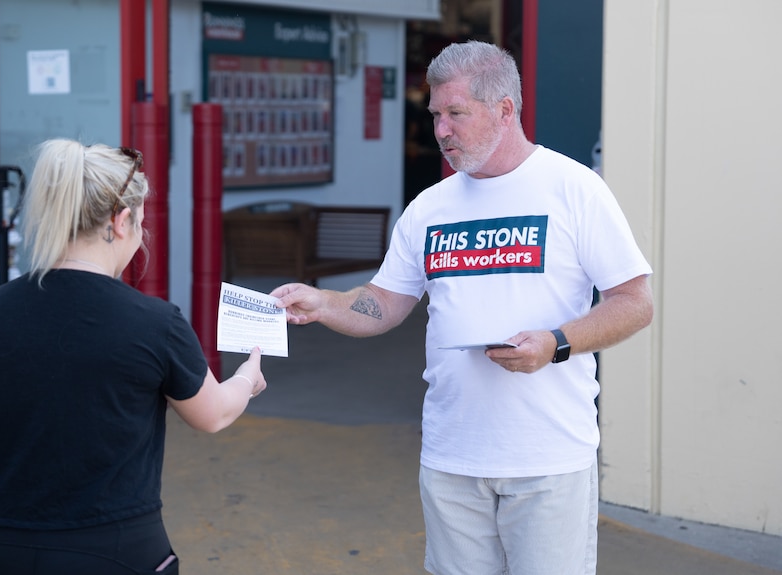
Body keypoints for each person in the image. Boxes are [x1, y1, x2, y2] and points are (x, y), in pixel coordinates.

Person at [271, 40, 653, 575]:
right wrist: (326, 302)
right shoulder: (431, 207)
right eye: (435, 115)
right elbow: (384, 302)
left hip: (547, 459)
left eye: (456, 114)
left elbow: (635, 302)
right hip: (452, 459)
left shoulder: (574, 190)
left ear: (504, 110)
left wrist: (556, 343)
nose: (441, 130)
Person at [0, 139, 267, 575]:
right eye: (141, 225)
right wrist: (247, 376)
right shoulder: (156, 322)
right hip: (113, 549)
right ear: (121, 220)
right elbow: (213, 415)